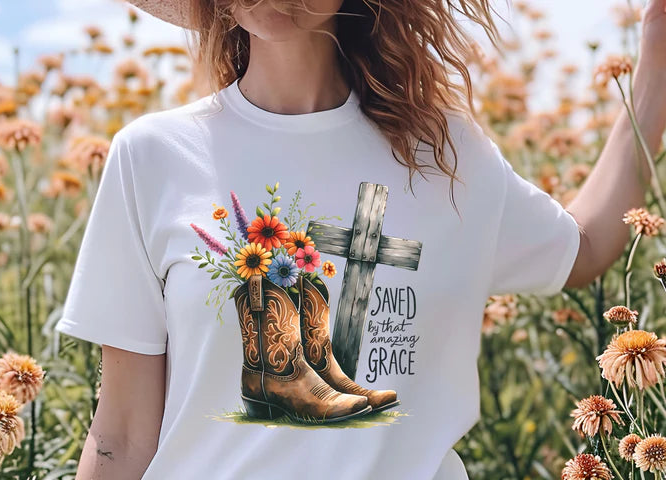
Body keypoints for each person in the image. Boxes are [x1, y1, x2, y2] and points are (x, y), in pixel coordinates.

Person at [53, 0, 666, 478]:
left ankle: (317, 371)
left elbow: (580, 246)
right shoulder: (153, 156)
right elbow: (122, 437)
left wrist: (656, 63)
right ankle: (291, 377)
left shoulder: (443, 154)